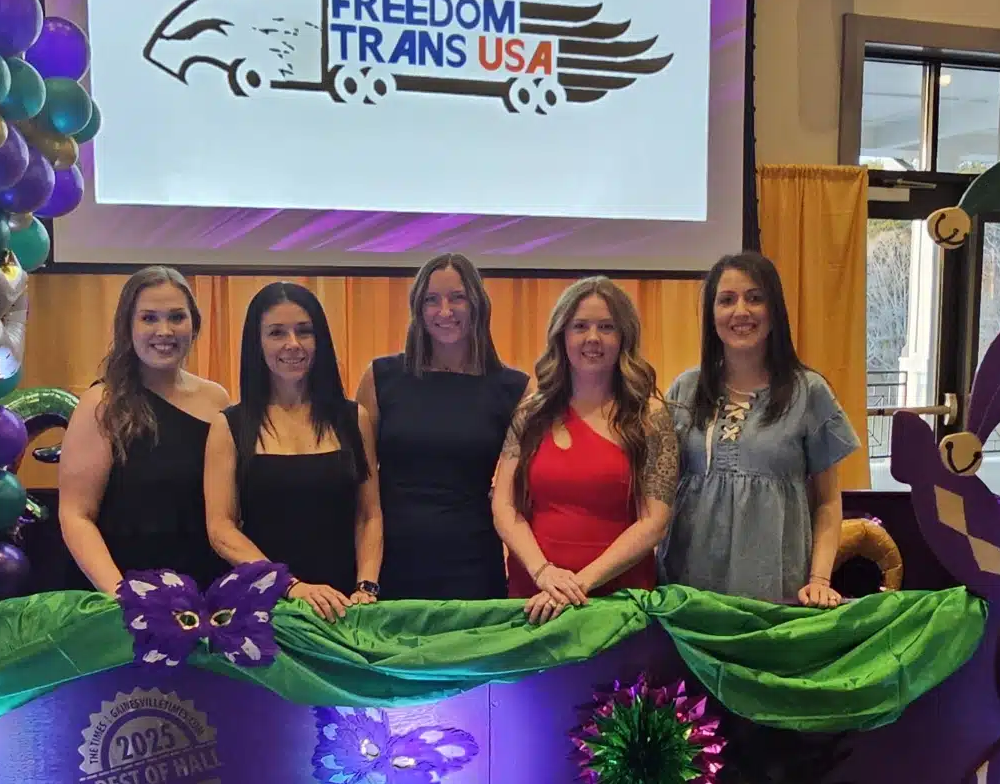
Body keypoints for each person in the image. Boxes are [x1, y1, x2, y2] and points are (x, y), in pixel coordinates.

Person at [662, 251, 860, 606]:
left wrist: (819, 579)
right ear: (711, 314)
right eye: (726, 300)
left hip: (774, 588)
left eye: (755, 298)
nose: (741, 311)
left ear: (775, 310)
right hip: (688, 590)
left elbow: (828, 501)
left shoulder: (809, 392)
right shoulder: (685, 389)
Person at [493, 276, 677, 624]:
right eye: (580, 326)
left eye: (606, 327)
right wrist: (544, 572)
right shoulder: (530, 413)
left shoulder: (649, 416)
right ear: (561, 335)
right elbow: (503, 505)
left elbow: (654, 523)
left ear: (624, 337)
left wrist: (576, 585)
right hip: (534, 598)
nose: (593, 338)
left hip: (618, 602)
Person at [205, 282, 382, 620]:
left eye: (304, 331)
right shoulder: (229, 426)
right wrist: (288, 585)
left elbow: (369, 515)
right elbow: (221, 529)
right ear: (257, 343)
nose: (293, 344)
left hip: (345, 604)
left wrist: (366, 586)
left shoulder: (353, 418)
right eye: (276, 333)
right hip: (265, 606)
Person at [357, 254, 528, 601]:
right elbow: (361, 487)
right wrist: (365, 577)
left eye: (457, 298)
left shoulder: (514, 389)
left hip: (473, 561)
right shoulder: (380, 378)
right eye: (431, 300)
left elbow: (520, 491)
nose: (444, 311)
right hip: (389, 558)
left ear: (477, 304)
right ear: (417, 309)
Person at [56, 266, 229, 595]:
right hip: (120, 594)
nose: (164, 330)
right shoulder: (102, 403)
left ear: (194, 325)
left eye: (176, 317)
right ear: (127, 326)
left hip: (202, 591)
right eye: (149, 318)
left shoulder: (216, 399)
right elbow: (76, 516)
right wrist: (125, 595)